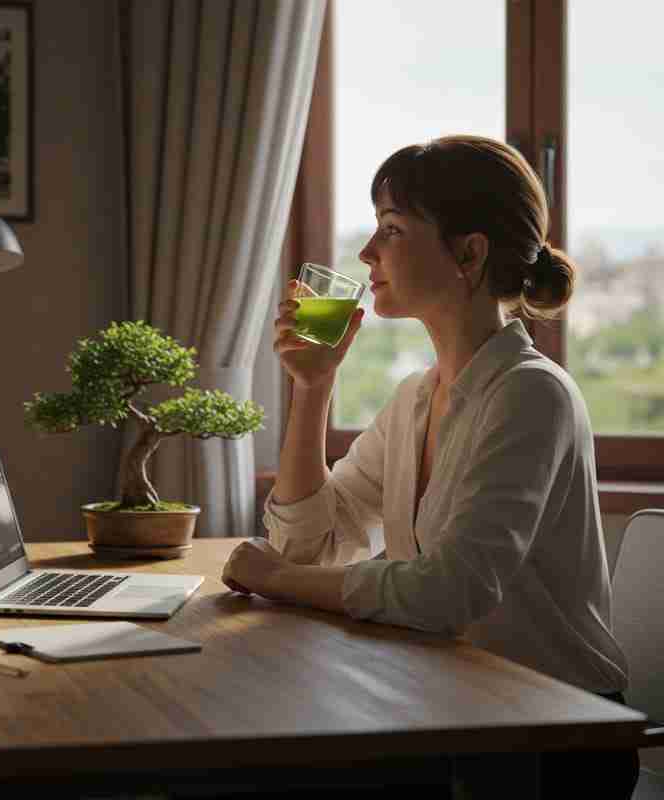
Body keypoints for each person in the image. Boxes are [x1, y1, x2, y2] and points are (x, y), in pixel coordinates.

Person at [222, 135, 639, 798]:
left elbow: (449, 592)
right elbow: (309, 544)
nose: (365, 252)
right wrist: (312, 388)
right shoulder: (416, 397)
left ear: (468, 254)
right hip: (456, 705)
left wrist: (280, 579)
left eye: (391, 229)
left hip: (550, 737)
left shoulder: (532, 394)